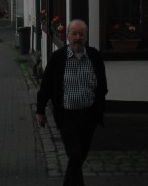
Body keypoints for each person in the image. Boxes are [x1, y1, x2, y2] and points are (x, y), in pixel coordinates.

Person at [36, 19, 108, 186]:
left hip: (88, 117)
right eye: (74, 34)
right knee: (75, 156)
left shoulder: (94, 57)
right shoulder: (58, 58)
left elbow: (102, 86)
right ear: (67, 36)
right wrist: (40, 111)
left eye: (81, 34)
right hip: (67, 116)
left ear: (86, 37)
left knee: (80, 157)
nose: (77, 37)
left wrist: (98, 107)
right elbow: (46, 86)